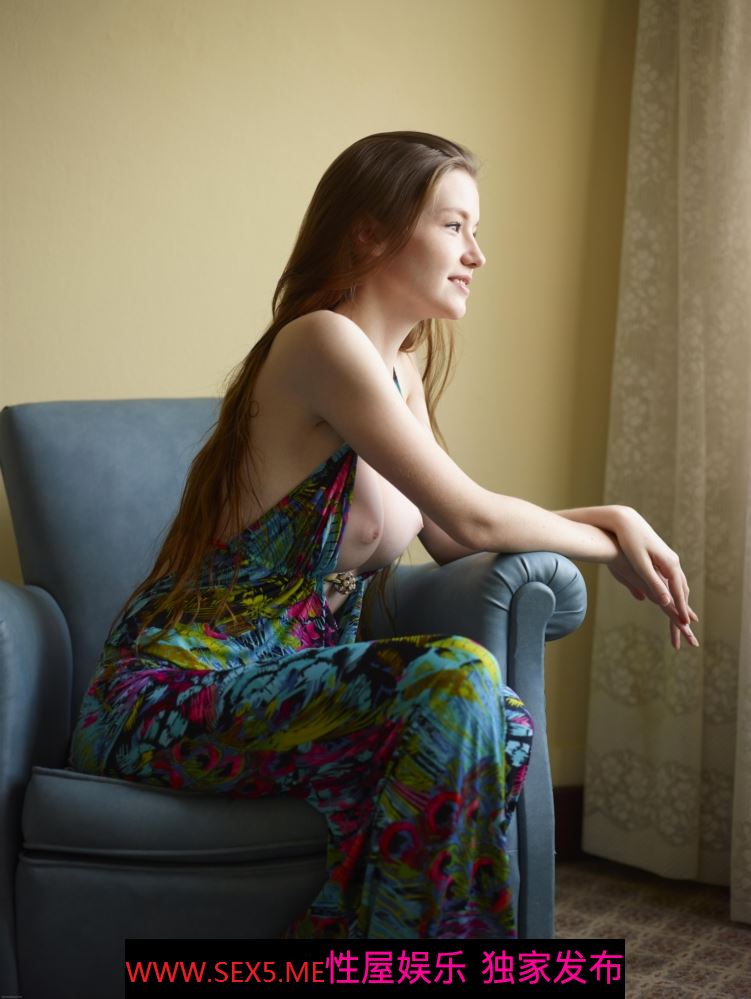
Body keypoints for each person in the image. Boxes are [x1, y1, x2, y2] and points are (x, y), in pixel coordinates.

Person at [69, 131, 698, 940]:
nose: (476, 254)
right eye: (453, 226)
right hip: (172, 695)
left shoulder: (401, 373)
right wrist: (613, 531)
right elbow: (473, 517)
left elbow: (453, 536)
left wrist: (613, 522)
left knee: (497, 718)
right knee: (457, 680)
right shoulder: (320, 340)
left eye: (475, 231)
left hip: (282, 694)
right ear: (369, 233)